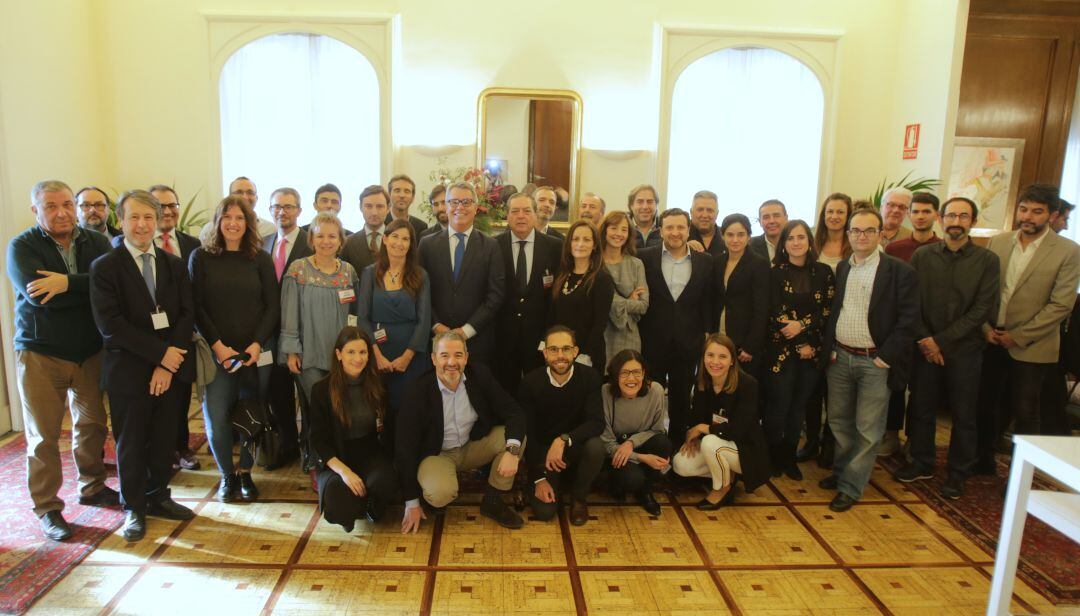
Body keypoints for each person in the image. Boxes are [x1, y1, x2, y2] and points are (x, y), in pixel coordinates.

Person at [7, 180, 116, 541]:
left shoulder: (97, 242)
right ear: (35, 210)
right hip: (41, 352)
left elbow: (108, 287)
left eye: (67, 204)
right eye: (51, 206)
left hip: (89, 352)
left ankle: (93, 485)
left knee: (93, 425)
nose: (62, 212)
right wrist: (85, 286)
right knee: (43, 436)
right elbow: (39, 296)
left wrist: (67, 284)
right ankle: (48, 508)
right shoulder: (22, 246)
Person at [89, 190, 196, 541]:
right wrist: (158, 356)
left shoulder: (174, 264)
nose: (142, 224)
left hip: (170, 370)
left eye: (148, 217)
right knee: (131, 441)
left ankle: (158, 496)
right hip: (129, 372)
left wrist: (168, 364)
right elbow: (112, 326)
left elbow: (185, 315)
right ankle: (133, 506)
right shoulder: (106, 267)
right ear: (121, 220)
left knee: (164, 437)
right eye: (134, 217)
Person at [893, 197, 999, 499]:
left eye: (963, 216)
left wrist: (941, 341)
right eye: (951, 215)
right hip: (924, 347)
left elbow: (982, 309)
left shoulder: (987, 261)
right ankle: (922, 462)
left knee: (964, 415)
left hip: (965, 350)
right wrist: (926, 340)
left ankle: (957, 473)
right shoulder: (924, 257)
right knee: (922, 408)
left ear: (973, 222)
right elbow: (912, 300)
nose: (956, 221)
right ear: (942, 219)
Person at [976, 184, 1080, 474]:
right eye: (1024, 209)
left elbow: (1061, 305)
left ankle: (1020, 472)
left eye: (1037, 212)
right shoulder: (999, 242)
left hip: (1033, 345)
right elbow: (985, 292)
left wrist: (1018, 336)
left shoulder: (1068, 251)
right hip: (992, 338)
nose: (1028, 217)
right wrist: (986, 328)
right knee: (986, 404)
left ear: (1052, 215)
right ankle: (981, 460)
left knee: (1026, 410)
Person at [820, 209, 919, 512]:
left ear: (880, 234)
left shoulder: (899, 271)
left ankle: (851, 486)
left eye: (868, 231)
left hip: (874, 361)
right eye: (856, 231)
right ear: (848, 234)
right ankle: (841, 473)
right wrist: (831, 348)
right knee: (838, 421)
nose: (861, 236)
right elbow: (837, 311)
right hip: (841, 357)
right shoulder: (843, 269)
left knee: (867, 428)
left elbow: (909, 319)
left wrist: (886, 357)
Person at [190, 195, 279, 503]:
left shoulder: (260, 258)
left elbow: (272, 306)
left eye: (240, 218)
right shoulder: (200, 258)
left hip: (255, 355)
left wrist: (256, 344)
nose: (233, 223)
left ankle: (246, 473)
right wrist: (218, 346)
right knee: (216, 418)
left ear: (248, 223)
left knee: (252, 416)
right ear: (218, 221)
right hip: (217, 356)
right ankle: (227, 475)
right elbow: (196, 307)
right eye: (227, 217)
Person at [395, 331, 526, 533]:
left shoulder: (480, 375)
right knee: (440, 495)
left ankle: (492, 501)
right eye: (444, 355)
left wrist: (512, 452)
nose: (451, 362)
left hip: (471, 445)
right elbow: (404, 447)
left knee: (514, 439)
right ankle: (434, 489)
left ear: (466, 357)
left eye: (457, 355)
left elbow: (514, 412)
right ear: (433, 359)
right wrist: (411, 503)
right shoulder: (417, 391)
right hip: (437, 454)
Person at [279, 212, 358, 469]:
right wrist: (292, 351)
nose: (326, 241)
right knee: (317, 409)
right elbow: (289, 314)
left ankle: (337, 458)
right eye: (320, 235)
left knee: (339, 407)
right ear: (311, 238)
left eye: (332, 236)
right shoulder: (298, 270)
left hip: (341, 357)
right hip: (309, 354)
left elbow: (353, 316)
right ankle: (316, 459)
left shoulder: (348, 273)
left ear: (340, 240)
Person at [309, 327, 399, 532]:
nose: (358, 358)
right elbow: (318, 440)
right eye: (351, 352)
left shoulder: (379, 384)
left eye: (363, 352)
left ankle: (368, 505)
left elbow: (388, 428)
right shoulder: (321, 390)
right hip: (336, 457)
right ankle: (355, 505)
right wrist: (345, 472)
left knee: (385, 483)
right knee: (338, 501)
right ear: (339, 354)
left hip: (369, 452)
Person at [765, 220, 835, 480]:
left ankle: (789, 457)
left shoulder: (824, 272)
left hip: (812, 354)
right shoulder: (774, 273)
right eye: (791, 238)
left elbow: (827, 310)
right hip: (780, 352)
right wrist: (799, 342)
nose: (796, 242)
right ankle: (773, 457)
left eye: (801, 237)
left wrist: (805, 331)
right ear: (783, 243)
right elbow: (775, 312)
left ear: (809, 241)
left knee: (799, 408)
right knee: (778, 406)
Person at [639, 208, 714, 438]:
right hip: (652, 341)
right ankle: (651, 446)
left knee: (682, 399)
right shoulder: (644, 257)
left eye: (680, 227)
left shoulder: (705, 261)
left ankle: (677, 449)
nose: (675, 232)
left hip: (688, 342)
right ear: (660, 230)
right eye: (669, 227)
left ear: (688, 229)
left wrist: (707, 335)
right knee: (650, 398)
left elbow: (709, 301)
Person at [518, 326, 605, 525]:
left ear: (575, 352)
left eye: (566, 349)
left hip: (575, 448)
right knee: (545, 512)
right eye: (554, 349)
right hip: (543, 455)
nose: (560, 355)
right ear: (545, 353)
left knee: (596, 447)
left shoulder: (590, 377)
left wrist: (563, 440)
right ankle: (553, 482)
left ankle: (579, 496)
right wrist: (539, 478)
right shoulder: (530, 383)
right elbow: (528, 432)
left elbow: (597, 422)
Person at [672, 334, 769, 509]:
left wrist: (702, 428)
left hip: (746, 451)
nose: (715, 362)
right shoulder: (704, 382)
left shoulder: (748, 384)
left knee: (710, 442)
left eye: (722, 356)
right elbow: (696, 418)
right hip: (719, 445)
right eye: (710, 355)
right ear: (703, 358)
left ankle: (722, 488)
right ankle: (726, 474)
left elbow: (737, 431)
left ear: (732, 360)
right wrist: (693, 436)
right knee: (681, 464)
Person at [879, 192, 941, 457]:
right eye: (915, 211)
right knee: (895, 387)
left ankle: (915, 443)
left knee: (923, 395)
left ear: (935, 216)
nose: (919, 216)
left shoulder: (941, 248)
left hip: (931, 334)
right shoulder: (894, 249)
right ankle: (891, 435)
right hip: (899, 331)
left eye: (925, 212)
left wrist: (929, 335)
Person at [418, 182, 505, 364]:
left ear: (475, 207)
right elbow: (420, 291)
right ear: (446, 206)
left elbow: (495, 295)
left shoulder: (490, 246)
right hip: (436, 341)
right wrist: (436, 325)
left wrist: (466, 331)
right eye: (454, 201)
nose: (460, 207)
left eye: (466, 202)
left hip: (477, 343)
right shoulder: (426, 245)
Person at [147, 184, 201, 471]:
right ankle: (158, 452)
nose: (167, 211)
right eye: (161, 206)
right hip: (148, 338)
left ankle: (181, 448)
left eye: (172, 205)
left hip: (183, 332)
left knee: (181, 397)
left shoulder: (192, 244)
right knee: (152, 400)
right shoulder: (137, 242)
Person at [357, 218, 432, 424]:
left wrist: (407, 357)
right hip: (378, 352)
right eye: (395, 237)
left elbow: (424, 321)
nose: (400, 243)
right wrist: (377, 356)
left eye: (405, 239)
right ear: (385, 239)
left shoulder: (420, 275)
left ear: (411, 244)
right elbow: (362, 318)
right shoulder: (369, 273)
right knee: (382, 409)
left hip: (412, 354)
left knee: (411, 410)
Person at [261, 187, 314, 470]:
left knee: (307, 395)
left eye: (289, 207)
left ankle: (310, 447)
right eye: (277, 207)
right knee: (278, 394)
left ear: (299, 210)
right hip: (272, 334)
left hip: (306, 332)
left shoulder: (312, 242)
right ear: (270, 211)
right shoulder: (263, 243)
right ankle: (288, 445)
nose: (282, 211)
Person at [800, 193, 853, 465]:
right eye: (830, 211)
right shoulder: (814, 245)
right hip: (812, 326)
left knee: (836, 395)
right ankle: (811, 441)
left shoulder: (853, 246)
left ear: (848, 216)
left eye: (840, 212)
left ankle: (831, 448)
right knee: (812, 390)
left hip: (841, 323)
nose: (834, 216)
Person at [494, 192, 562, 394]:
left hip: (539, 336)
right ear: (507, 216)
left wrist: (548, 335)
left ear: (535, 214)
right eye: (515, 211)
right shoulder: (493, 246)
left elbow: (556, 297)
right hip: (503, 336)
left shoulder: (555, 247)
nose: (521, 216)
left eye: (526, 211)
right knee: (505, 391)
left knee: (539, 391)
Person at [595, 349, 671, 515]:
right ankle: (618, 484)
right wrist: (642, 458)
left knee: (663, 444)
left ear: (644, 373)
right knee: (632, 480)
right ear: (615, 375)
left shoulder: (656, 390)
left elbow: (658, 430)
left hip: (639, 444)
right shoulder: (605, 393)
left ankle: (646, 492)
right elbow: (606, 442)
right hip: (615, 451)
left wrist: (631, 443)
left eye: (636, 372)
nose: (631, 379)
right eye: (624, 373)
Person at [549, 220, 616, 369]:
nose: (580, 244)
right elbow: (552, 314)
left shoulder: (602, 279)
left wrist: (584, 354)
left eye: (587, 240)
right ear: (569, 243)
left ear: (595, 245)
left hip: (586, 356)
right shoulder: (561, 275)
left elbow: (599, 324)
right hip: (560, 352)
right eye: (576, 239)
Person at [713, 213, 769, 379]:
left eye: (741, 234)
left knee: (743, 388)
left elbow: (762, 308)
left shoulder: (759, 264)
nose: (735, 240)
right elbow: (714, 299)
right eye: (730, 235)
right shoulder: (717, 262)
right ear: (722, 236)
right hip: (720, 335)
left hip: (744, 342)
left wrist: (751, 345)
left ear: (749, 236)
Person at [599, 211, 648, 361]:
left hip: (629, 336)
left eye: (624, 229)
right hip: (600, 334)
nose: (618, 233)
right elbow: (599, 301)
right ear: (605, 230)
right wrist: (630, 301)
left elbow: (643, 305)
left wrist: (614, 302)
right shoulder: (595, 263)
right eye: (613, 228)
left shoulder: (636, 264)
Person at [198, 176, 275, 243]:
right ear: (229, 197)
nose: (245, 197)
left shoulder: (271, 230)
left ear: (256, 198)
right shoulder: (209, 230)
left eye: (250, 192)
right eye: (239, 192)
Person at [342, 184, 392, 277]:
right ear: (360, 207)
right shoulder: (348, 243)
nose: (374, 212)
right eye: (368, 206)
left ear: (388, 208)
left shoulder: (397, 240)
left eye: (379, 206)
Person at [687, 190, 725, 259]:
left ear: (717, 214)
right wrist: (682, 249)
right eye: (700, 209)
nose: (705, 215)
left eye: (710, 210)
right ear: (691, 212)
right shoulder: (679, 237)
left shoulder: (727, 237)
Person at [627, 185, 662, 250]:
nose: (645, 207)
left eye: (650, 202)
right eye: (640, 202)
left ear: (656, 205)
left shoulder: (664, 227)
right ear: (631, 206)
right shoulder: (622, 227)